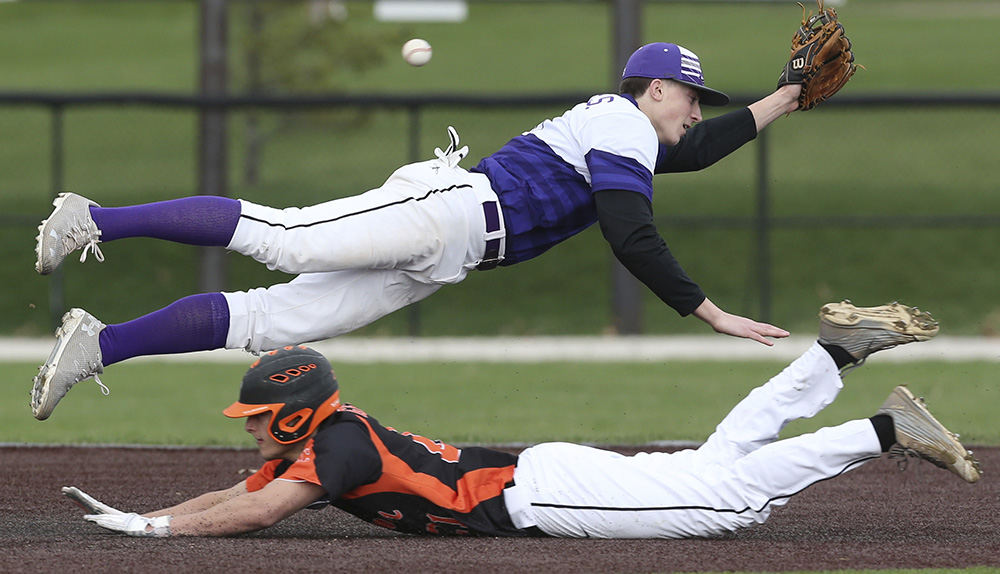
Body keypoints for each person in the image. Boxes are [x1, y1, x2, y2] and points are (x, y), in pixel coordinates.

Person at [31, 41, 805, 420]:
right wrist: (707, 311)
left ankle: (99, 343)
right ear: (656, 87)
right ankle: (92, 218)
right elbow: (631, 236)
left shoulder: (633, 132)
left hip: (448, 252)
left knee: (274, 323)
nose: (697, 109)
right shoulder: (623, 120)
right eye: (690, 95)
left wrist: (785, 100)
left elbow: (693, 150)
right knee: (286, 235)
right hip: (447, 213)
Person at [67, 301, 981, 539]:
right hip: (540, 473)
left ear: (297, 412)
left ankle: (884, 432)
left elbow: (261, 511)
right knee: (716, 463)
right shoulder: (329, 435)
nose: (250, 431)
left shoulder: (334, 448)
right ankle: (833, 357)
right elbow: (239, 491)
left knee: (729, 503)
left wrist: (156, 532)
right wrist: (153, 520)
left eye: (260, 417)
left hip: (545, 494)